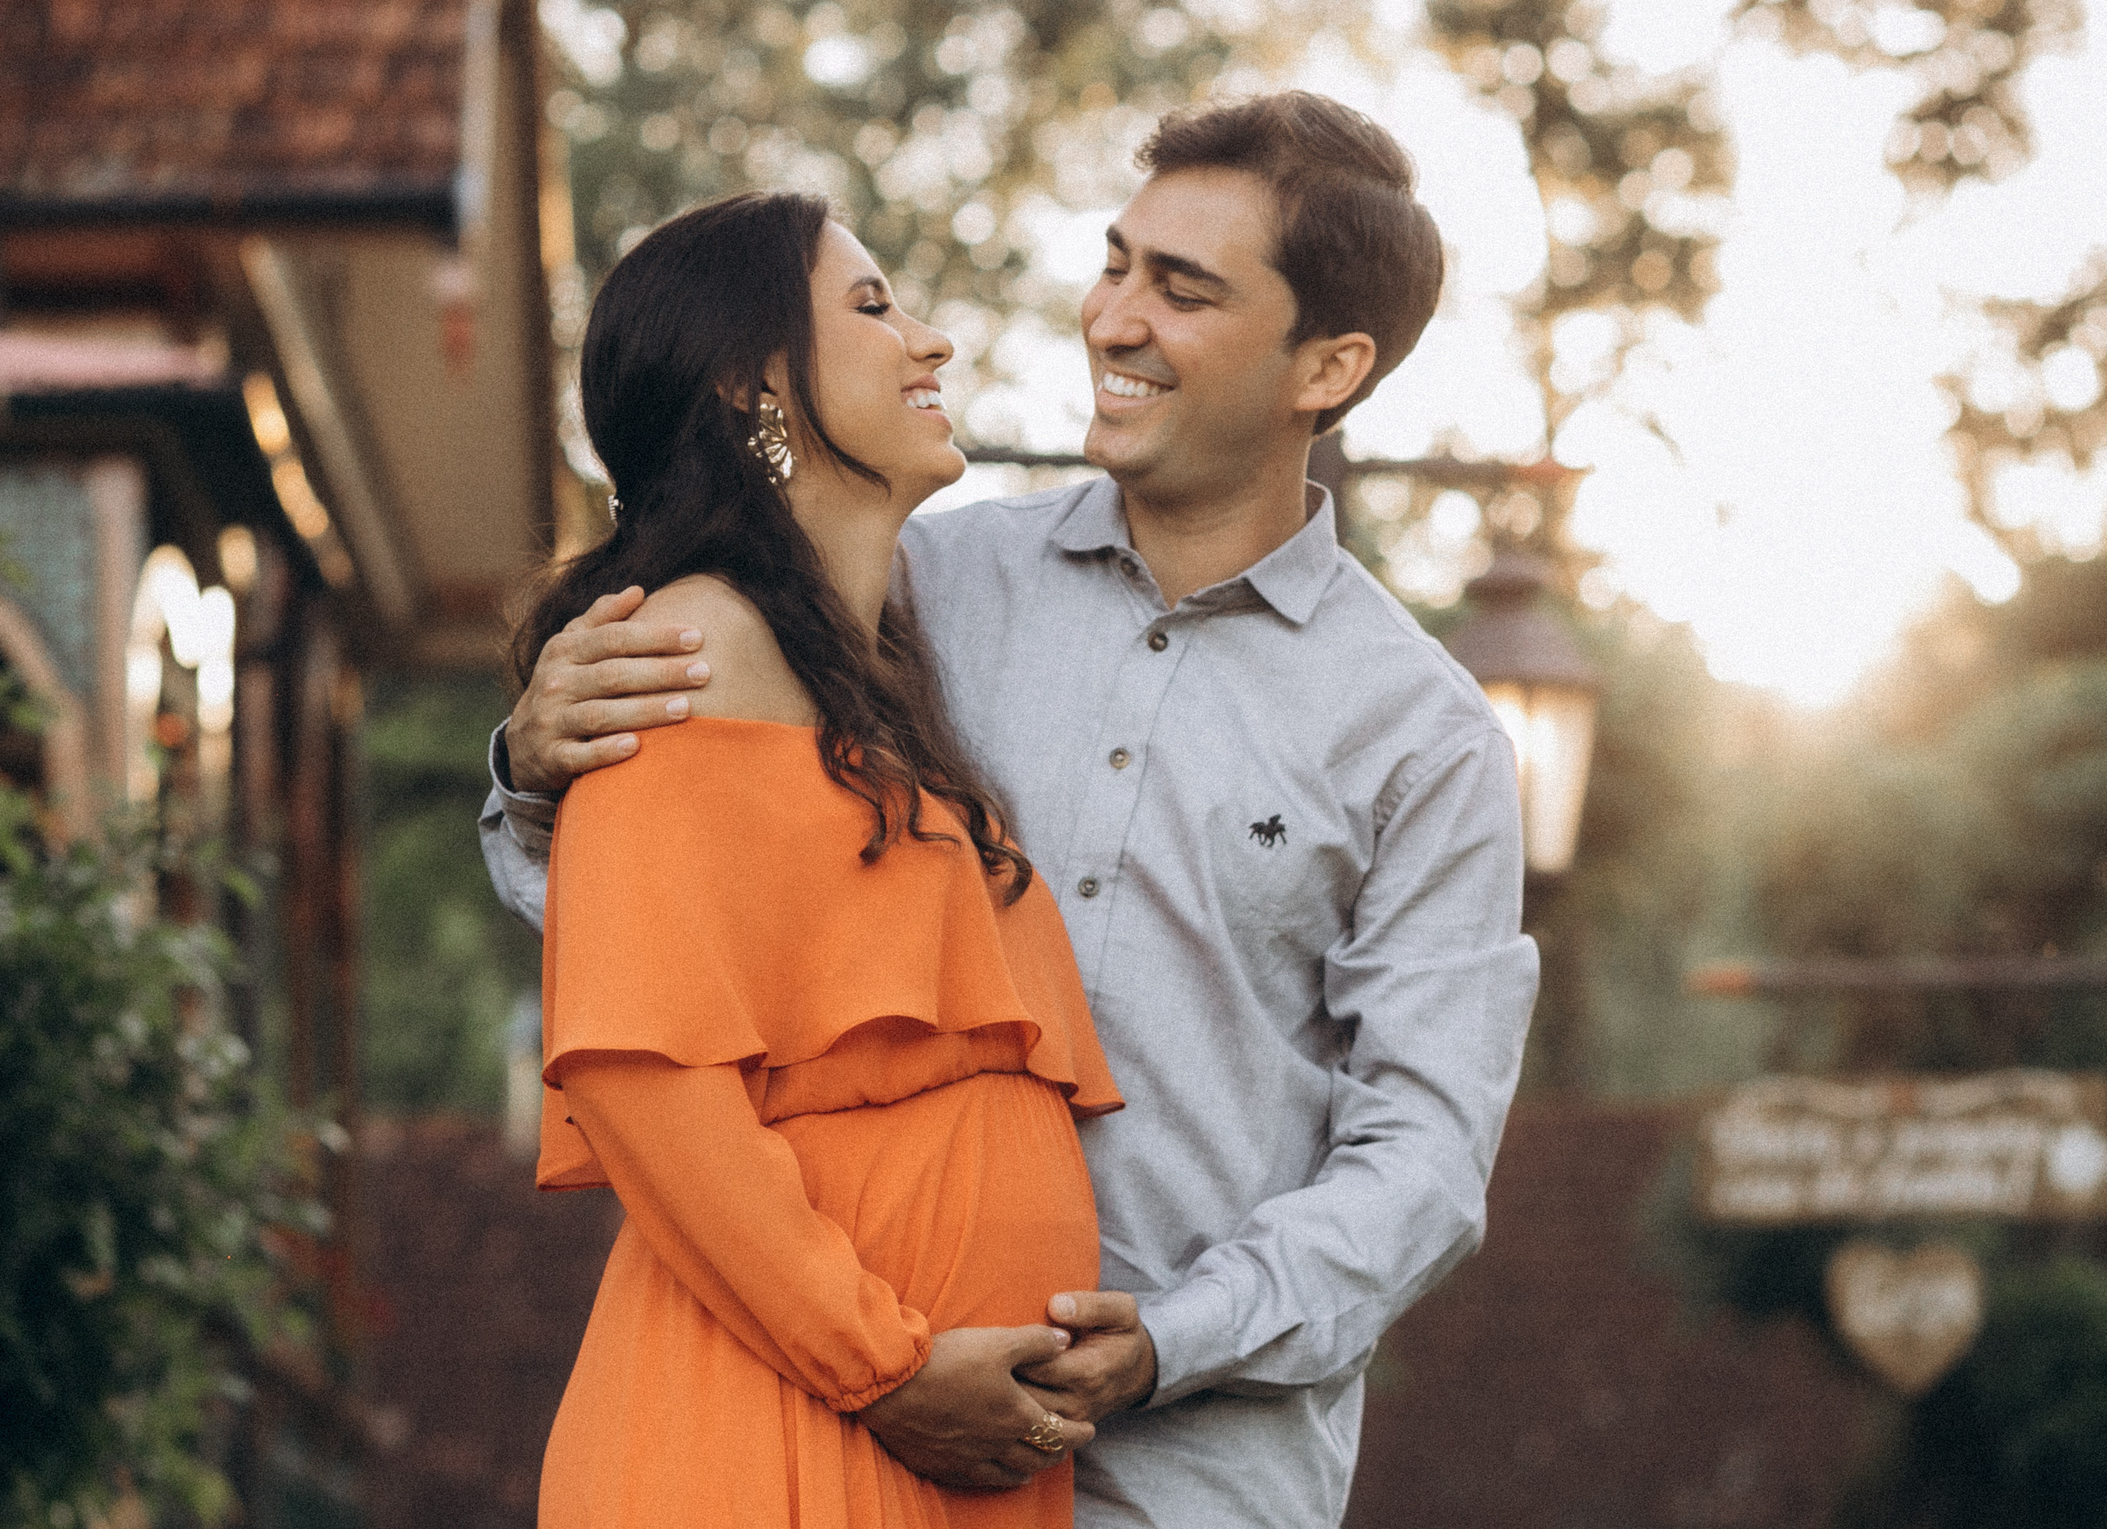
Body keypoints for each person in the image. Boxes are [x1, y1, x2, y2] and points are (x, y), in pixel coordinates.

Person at [486, 92, 1542, 1526]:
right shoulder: (900, 589)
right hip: (853, 1417)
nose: (1112, 320)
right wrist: (534, 771)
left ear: (1328, 365)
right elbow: (650, 954)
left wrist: (1170, 1341)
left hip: (1191, 1475)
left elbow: (1422, 1161)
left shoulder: (1423, 738)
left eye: (1183, 292)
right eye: (1115, 264)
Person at [516, 190, 1125, 1527]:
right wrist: (884, 1368)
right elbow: (645, 1081)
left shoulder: (874, 672)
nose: (930, 341)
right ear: (750, 383)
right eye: (872, 306)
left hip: (931, 1441)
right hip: (790, 1427)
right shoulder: (689, 648)